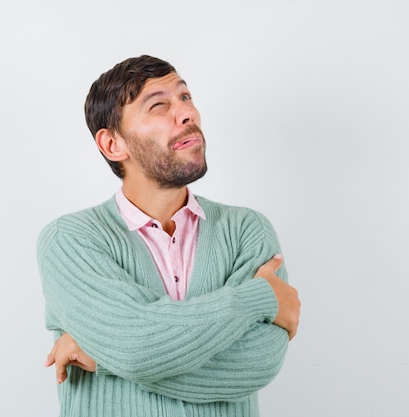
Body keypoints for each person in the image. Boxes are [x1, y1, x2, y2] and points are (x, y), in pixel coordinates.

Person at [37, 55, 301, 417]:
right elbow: (134, 348)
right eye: (159, 106)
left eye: (186, 97)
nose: (186, 113)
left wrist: (104, 354)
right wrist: (258, 298)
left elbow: (258, 363)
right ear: (113, 144)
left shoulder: (246, 230)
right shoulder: (70, 241)